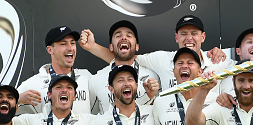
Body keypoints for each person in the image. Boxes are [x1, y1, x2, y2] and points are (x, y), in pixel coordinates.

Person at [80, 15, 233, 102]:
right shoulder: (161, 59)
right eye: (183, 34)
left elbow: (245, 72)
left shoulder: (219, 61)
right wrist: (93, 47)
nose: (189, 38)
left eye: (194, 33)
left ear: (203, 37)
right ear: (176, 37)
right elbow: (126, 57)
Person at [16, 26, 98, 115]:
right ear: (50, 50)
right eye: (63, 44)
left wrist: (93, 47)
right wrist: (18, 100)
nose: (70, 48)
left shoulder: (86, 77)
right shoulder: (32, 84)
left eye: (73, 43)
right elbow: (2, 112)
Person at [91, 20, 160, 112]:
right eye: (118, 36)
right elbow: (93, 117)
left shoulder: (153, 76)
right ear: (111, 47)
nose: (123, 38)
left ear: (137, 47)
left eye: (129, 35)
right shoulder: (96, 79)